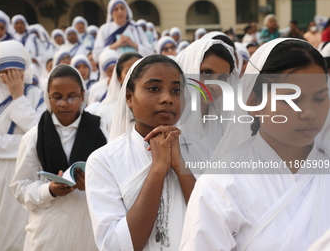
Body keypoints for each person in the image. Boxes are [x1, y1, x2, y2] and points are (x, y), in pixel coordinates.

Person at [180, 38, 330, 250]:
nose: (309, 113)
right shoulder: (221, 185)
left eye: (319, 98)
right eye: (292, 100)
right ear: (253, 103)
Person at [86, 54, 200, 251]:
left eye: (176, 90)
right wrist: (157, 169)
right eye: (154, 89)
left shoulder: (202, 150)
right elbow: (116, 246)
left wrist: (181, 167)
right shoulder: (103, 161)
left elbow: (215, 225)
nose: (167, 98)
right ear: (129, 98)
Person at [10, 64, 108, 251]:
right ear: (48, 97)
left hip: (88, 232)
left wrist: (92, 184)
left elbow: (115, 179)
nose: (64, 103)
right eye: (57, 97)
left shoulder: (101, 131)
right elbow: (20, 187)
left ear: (83, 96)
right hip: (48, 234)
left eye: (72, 96)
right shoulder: (34, 136)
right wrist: (50, 190)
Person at [0, 40, 45, 251]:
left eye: (16, 71)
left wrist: (18, 97)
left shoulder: (38, 95)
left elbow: (41, 136)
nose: (12, 78)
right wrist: (23, 143)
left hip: (27, 175)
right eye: (5, 72)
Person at [176, 39, 238, 157]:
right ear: (188, 70)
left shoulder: (228, 124)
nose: (214, 85)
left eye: (222, 78)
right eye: (206, 73)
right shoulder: (167, 121)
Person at [95, 52, 142, 132]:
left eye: (140, 71)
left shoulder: (156, 108)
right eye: (129, 72)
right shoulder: (104, 112)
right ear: (119, 78)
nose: (136, 76)